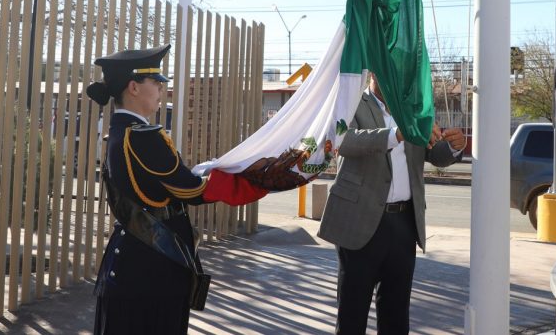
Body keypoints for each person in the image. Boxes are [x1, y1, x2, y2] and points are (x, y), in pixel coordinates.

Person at [86, 44, 289, 334]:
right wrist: (262, 177)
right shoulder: (144, 137)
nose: (160, 89)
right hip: (153, 268)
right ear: (133, 87)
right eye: (155, 82)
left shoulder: (120, 132)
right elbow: (193, 191)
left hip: (134, 262)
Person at [318, 73, 468, 334]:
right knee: (352, 317)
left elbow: (434, 153)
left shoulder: (413, 110)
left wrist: (455, 147)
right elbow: (345, 141)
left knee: (396, 317)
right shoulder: (350, 102)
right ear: (374, 72)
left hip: (403, 225)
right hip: (359, 223)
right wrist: (397, 134)